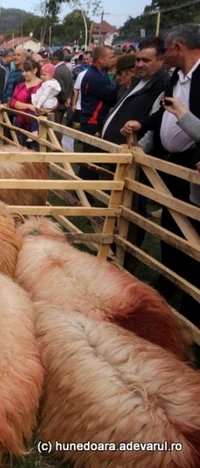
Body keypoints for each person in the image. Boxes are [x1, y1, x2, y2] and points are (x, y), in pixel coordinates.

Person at [122, 24, 200, 324]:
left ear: (178, 48)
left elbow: (184, 115)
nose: (166, 55)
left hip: (190, 165)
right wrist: (144, 124)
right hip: (171, 163)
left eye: (167, 50)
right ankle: (169, 283)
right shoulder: (177, 79)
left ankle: (192, 302)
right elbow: (164, 111)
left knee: (192, 232)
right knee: (171, 227)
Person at [79, 45, 116, 171]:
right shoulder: (94, 77)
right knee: (91, 163)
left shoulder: (101, 74)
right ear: (101, 60)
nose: (113, 60)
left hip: (94, 121)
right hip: (92, 123)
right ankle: (85, 190)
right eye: (110, 57)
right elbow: (112, 96)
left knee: (93, 160)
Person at [9, 59, 42, 149]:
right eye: (23, 71)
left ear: (35, 70)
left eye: (27, 71)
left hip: (36, 125)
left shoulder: (42, 86)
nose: (24, 74)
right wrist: (29, 106)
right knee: (20, 148)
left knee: (35, 151)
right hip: (20, 123)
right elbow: (13, 102)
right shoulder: (20, 86)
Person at [51, 49, 73, 124]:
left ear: (55, 59)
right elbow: (71, 85)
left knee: (55, 126)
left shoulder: (56, 71)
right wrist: (68, 98)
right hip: (65, 102)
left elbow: (60, 89)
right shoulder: (67, 69)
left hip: (58, 104)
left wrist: (64, 100)